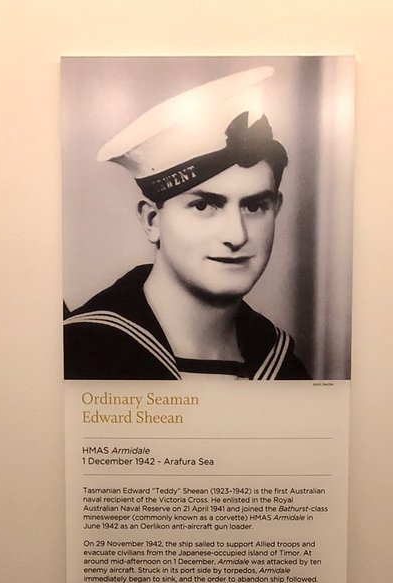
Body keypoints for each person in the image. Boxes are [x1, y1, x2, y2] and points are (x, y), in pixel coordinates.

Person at [63, 67, 310, 381]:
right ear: (152, 220)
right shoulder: (85, 355)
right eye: (204, 205)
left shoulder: (283, 367)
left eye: (253, 206)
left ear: (276, 210)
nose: (236, 235)